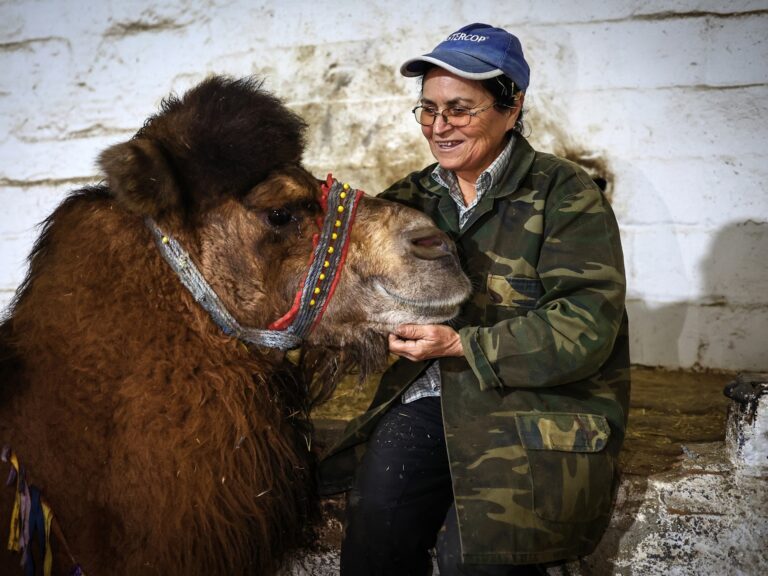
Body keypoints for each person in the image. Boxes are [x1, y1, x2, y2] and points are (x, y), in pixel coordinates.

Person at [319, 22, 630, 576]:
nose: (440, 127)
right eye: (429, 109)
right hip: (434, 398)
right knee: (374, 532)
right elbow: (344, 278)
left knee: (476, 560)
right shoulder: (412, 198)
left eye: (459, 110)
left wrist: (461, 344)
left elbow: (584, 327)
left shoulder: (565, 194)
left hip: (537, 407)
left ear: (512, 107)